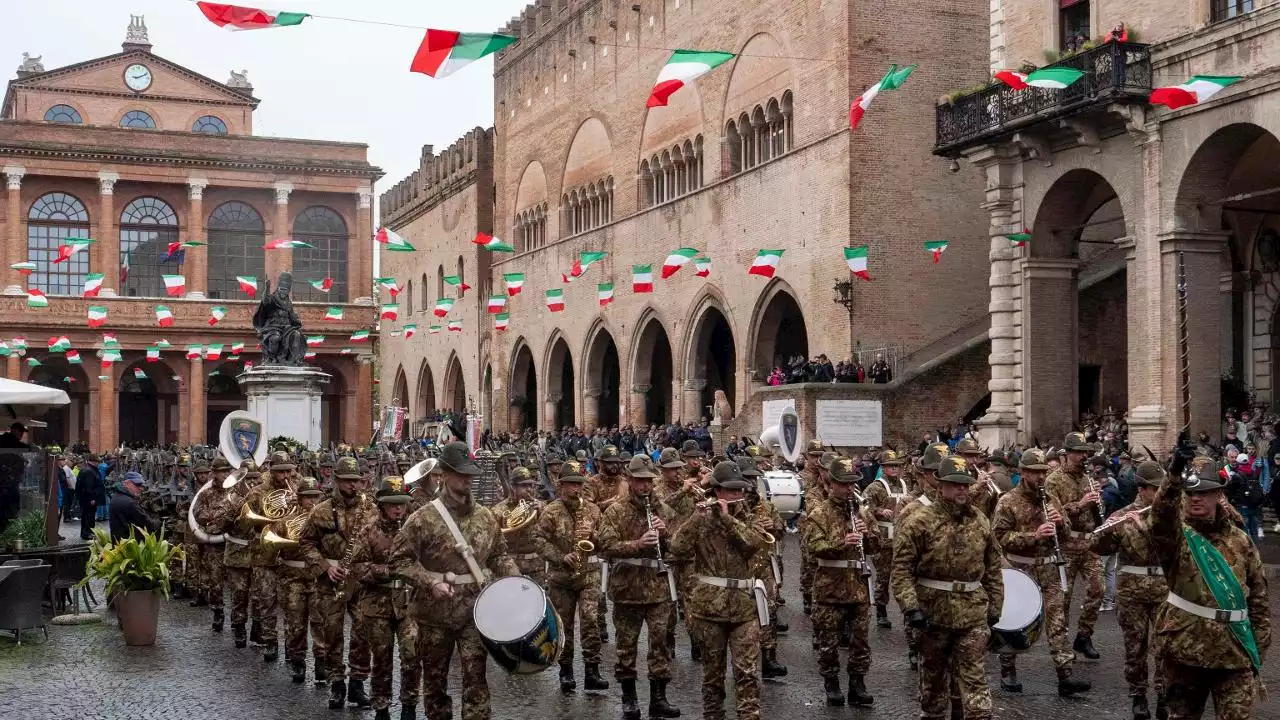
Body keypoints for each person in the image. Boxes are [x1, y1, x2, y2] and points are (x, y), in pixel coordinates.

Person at [390, 442, 519, 720]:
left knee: (476, 681)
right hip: (433, 615)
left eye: (470, 474)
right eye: (460, 474)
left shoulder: (485, 517)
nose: (467, 479)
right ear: (443, 474)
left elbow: (499, 555)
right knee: (435, 685)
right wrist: (430, 581)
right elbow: (398, 562)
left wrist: (519, 583)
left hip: (476, 612)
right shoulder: (422, 518)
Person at [1149, 456, 1271, 720]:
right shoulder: (1176, 537)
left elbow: (1259, 601)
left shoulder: (1241, 541)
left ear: (1218, 494)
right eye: (1191, 492)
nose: (1196, 498)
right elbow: (1159, 519)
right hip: (1184, 653)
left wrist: (1256, 651)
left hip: (1234, 655)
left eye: (1204, 492)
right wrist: (1172, 479)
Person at [892, 456, 1004, 720]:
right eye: (955, 485)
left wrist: (996, 608)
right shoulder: (920, 521)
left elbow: (993, 568)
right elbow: (901, 569)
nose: (962, 490)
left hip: (972, 614)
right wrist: (910, 607)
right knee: (934, 688)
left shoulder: (980, 520)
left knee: (976, 686)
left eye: (965, 485)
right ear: (941, 486)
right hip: (933, 615)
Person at [670, 460, 771, 720]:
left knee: (747, 673)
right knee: (712, 675)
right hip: (709, 609)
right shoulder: (701, 518)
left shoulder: (751, 516)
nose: (736, 495)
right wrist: (696, 517)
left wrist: (727, 519)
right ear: (717, 491)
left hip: (745, 607)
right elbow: (678, 548)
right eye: (730, 490)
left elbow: (752, 544)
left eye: (739, 490)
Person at [990, 449, 1090, 696]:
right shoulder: (1008, 501)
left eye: (1043, 473)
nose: (1040, 478)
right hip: (1020, 570)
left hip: (1049, 569)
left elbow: (1066, 533)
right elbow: (999, 538)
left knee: (1057, 622)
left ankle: (1065, 674)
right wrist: (1032, 536)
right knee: (1013, 621)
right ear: (1023, 473)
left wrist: (1060, 523)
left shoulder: (1051, 500)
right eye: (1035, 473)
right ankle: (1008, 671)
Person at [596, 455, 679, 720]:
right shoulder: (616, 511)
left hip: (657, 589)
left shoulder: (663, 509)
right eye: (640, 481)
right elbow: (605, 546)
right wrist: (636, 544)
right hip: (627, 589)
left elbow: (679, 548)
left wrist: (665, 535)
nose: (645, 487)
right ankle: (629, 699)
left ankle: (659, 698)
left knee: (659, 644)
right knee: (626, 646)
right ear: (630, 481)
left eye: (649, 482)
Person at [1092, 460, 1167, 720]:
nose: (1159, 494)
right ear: (1141, 489)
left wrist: (1144, 526)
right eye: (1155, 489)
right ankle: (1138, 694)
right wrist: (1108, 531)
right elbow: (1101, 549)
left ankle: (1164, 696)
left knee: (1166, 647)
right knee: (1135, 647)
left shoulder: (1168, 517)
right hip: (1132, 592)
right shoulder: (1122, 514)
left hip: (1164, 591)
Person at [300, 456, 377, 710]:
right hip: (331, 581)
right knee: (331, 633)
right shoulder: (320, 510)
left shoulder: (371, 508)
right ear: (336, 480)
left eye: (356, 481)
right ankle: (336, 685)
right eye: (347, 481)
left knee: (362, 632)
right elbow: (306, 542)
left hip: (362, 580)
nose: (354, 486)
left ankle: (357, 683)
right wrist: (324, 567)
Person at [804, 457, 881, 706]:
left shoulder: (861, 511)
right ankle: (832, 684)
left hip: (857, 587)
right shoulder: (819, 513)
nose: (850, 489)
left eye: (853, 484)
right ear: (833, 484)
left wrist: (868, 535)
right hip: (829, 588)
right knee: (828, 642)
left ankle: (858, 684)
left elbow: (876, 546)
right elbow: (812, 548)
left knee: (860, 641)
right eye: (844, 484)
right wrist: (841, 543)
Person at [537, 459, 609, 694]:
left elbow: (606, 539)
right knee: (564, 626)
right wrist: (559, 556)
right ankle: (566, 671)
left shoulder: (592, 509)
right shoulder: (551, 511)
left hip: (588, 575)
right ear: (561, 485)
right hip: (561, 578)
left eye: (579, 484)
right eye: (571, 484)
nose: (576, 489)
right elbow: (538, 540)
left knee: (590, 621)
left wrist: (595, 536)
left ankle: (592, 671)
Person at [352, 476, 419, 720]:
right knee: (381, 659)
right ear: (381, 505)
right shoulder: (368, 531)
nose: (398, 508)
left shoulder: (414, 530)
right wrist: (386, 572)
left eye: (401, 503)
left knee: (412, 655)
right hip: (377, 604)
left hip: (408, 603)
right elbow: (357, 567)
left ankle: (409, 706)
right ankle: (381, 707)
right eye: (392, 503)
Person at [1045, 432, 1104, 659]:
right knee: (1064, 597)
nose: (1083, 457)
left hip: (1089, 542)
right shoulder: (1054, 480)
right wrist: (1080, 504)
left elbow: (1097, 511)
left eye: (1085, 453)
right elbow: (1052, 512)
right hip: (1067, 543)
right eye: (1078, 452)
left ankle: (1084, 635)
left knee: (1098, 589)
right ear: (1067, 454)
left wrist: (1098, 500)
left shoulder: (1087, 478)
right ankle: (1062, 642)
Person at [243, 451, 296, 662]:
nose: (285, 476)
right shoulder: (257, 492)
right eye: (280, 471)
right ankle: (270, 641)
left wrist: (296, 505)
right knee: (266, 599)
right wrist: (271, 515)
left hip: (289, 552)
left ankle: (292, 647)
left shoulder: (296, 490)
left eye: (287, 471)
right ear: (271, 471)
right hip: (264, 552)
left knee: (291, 602)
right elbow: (245, 520)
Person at [738, 456, 788, 678]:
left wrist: (774, 526)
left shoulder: (766, 505)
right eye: (746, 478)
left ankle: (769, 657)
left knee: (770, 610)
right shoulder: (732, 508)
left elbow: (781, 530)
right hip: (739, 567)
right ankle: (744, 661)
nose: (750, 483)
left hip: (763, 565)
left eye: (753, 478)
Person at [276, 476, 326, 685]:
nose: (312, 502)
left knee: (319, 622)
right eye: (308, 498)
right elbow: (274, 548)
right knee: (296, 623)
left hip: (316, 579)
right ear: (299, 499)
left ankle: (322, 665)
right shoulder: (286, 522)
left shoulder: (325, 522)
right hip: (294, 579)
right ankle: (298, 662)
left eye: (315, 497)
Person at [863, 449, 910, 629]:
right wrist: (879, 511)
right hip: (883, 541)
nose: (894, 469)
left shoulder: (905, 485)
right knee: (883, 577)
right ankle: (881, 611)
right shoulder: (875, 487)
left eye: (896, 466)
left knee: (905, 577)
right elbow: (864, 507)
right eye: (890, 466)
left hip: (903, 541)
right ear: (883, 467)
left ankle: (908, 611)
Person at [492, 466, 547, 584]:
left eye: (530, 485)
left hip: (536, 563)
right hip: (512, 564)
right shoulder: (499, 510)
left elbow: (551, 533)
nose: (529, 490)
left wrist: (543, 512)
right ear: (513, 487)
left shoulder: (540, 506)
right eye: (523, 486)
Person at [108, 470, 158, 542]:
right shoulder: (129, 503)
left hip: (120, 543)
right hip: (130, 547)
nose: (141, 488)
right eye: (137, 485)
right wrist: (158, 520)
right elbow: (149, 525)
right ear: (127, 483)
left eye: (141, 485)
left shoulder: (117, 497)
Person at [75, 454, 104, 541]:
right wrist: (92, 498)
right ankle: (87, 533)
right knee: (88, 516)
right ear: (93, 461)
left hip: (87, 498)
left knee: (87, 516)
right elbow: (89, 486)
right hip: (88, 498)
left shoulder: (89, 470)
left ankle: (87, 532)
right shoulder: (89, 471)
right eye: (98, 462)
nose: (98, 463)